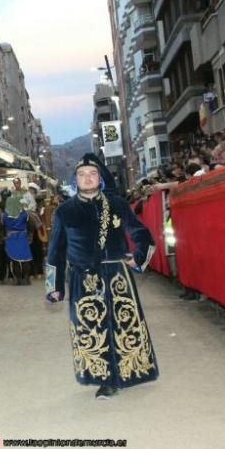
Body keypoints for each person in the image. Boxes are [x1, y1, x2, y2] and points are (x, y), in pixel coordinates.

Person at [45, 153, 158, 400]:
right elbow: (55, 250)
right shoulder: (65, 211)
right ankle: (105, 379)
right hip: (83, 278)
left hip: (117, 275)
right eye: (82, 175)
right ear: (75, 180)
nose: (87, 178)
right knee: (91, 328)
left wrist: (137, 257)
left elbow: (141, 233)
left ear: (100, 178)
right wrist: (53, 287)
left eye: (92, 173)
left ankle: (130, 371)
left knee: (124, 324)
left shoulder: (116, 204)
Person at [1, 192, 33, 285]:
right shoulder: (23, 213)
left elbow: (2, 225)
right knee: (25, 259)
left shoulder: (5, 214)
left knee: (14, 260)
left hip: (11, 238)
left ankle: (18, 279)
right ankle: (26, 278)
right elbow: (29, 224)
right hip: (22, 237)